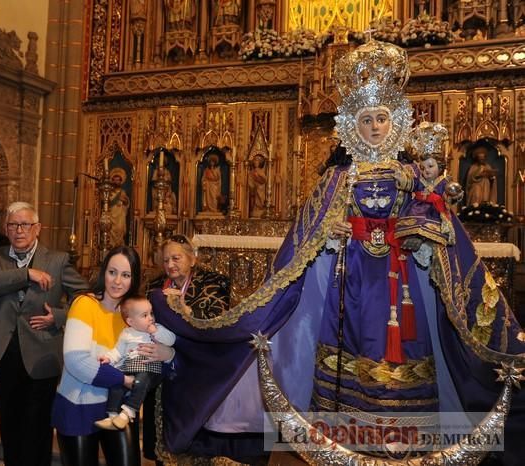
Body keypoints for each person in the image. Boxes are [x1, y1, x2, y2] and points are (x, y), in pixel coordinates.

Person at [147, 41, 525, 465]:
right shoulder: (337, 179)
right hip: (352, 282)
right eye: (367, 120)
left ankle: (407, 437)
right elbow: (307, 235)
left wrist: (421, 234)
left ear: (396, 122)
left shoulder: (411, 173)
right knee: (352, 350)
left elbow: (439, 223)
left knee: (404, 350)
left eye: (383, 118)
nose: (376, 127)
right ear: (352, 126)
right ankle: (344, 436)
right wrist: (331, 233)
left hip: (401, 284)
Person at [0, 201, 88, 466]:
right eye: (13, 225)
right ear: (6, 229)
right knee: (10, 422)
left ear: (37, 228)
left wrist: (58, 316)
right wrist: (26, 273)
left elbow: (85, 297)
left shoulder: (58, 260)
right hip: (5, 351)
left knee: (38, 425)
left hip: (42, 351)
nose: (19, 230)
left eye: (25, 224)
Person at [143, 234, 231, 462]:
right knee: (160, 442)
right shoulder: (154, 286)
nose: (170, 265)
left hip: (196, 369)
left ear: (192, 259)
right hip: (159, 370)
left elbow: (217, 323)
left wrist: (184, 310)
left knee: (193, 447)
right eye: (165, 260)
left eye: (176, 258)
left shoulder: (214, 283)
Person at [52, 246, 142, 466]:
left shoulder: (133, 315)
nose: (117, 281)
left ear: (134, 279)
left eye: (126, 275)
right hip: (78, 406)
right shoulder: (85, 304)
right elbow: (76, 362)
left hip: (117, 409)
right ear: (104, 273)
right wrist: (124, 380)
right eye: (112, 272)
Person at [94, 296, 175, 430]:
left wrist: (155, 332)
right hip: (129, 366)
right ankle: (112, 415)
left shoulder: (157, 329)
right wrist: (108, 358)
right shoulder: (126, 333)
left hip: (148, 366)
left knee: (140, 381)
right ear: (131, 321)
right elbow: (118, 351)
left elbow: (171, 340)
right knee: (116, 385)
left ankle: (129, 411)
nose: (150, 318)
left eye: (151, 313)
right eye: (144, 315)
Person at [396, 121, 461, 252]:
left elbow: (449, 196)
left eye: (430, 166)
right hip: (416, 207)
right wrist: (401, 179)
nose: (426, 171)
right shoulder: (420, 180)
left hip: (434, 211)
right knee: (414, 219)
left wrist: (454, 194)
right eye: (422, 167)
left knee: (429, 222)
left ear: (440, 165)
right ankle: (413, 236)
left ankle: (421, 238)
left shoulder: (444, 181)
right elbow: (412, 184)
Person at [108, 168, 130, 247]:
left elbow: (127, 203)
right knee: (110, 231)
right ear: (112, 181)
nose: (116, 182)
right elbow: (108, 203)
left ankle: (119, 245)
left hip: (120, 216)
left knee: (120, 229)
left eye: (118, 180)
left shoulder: (123, 192)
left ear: (121, 181)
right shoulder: (109, 192)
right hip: (112, 215)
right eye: (115, 180)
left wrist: (124, 201)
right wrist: (116, 199)